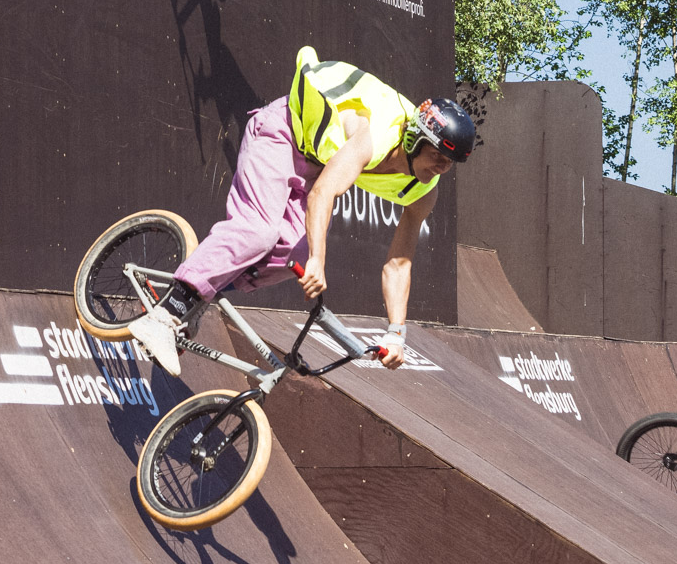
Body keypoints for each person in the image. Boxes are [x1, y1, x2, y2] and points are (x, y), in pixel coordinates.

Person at [127, 47, 477, 378]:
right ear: (416, 140)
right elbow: (324, 193)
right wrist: (319, 262)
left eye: (451, 164)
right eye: (439, 158)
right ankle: (166, 313)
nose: (442, 169)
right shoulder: (374, 135)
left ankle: (201, 294)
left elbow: (399, 263)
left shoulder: (423, 192)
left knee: (293, 256)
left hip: (315, 165)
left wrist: (396, 333)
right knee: (260, 232)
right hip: (282, 133)